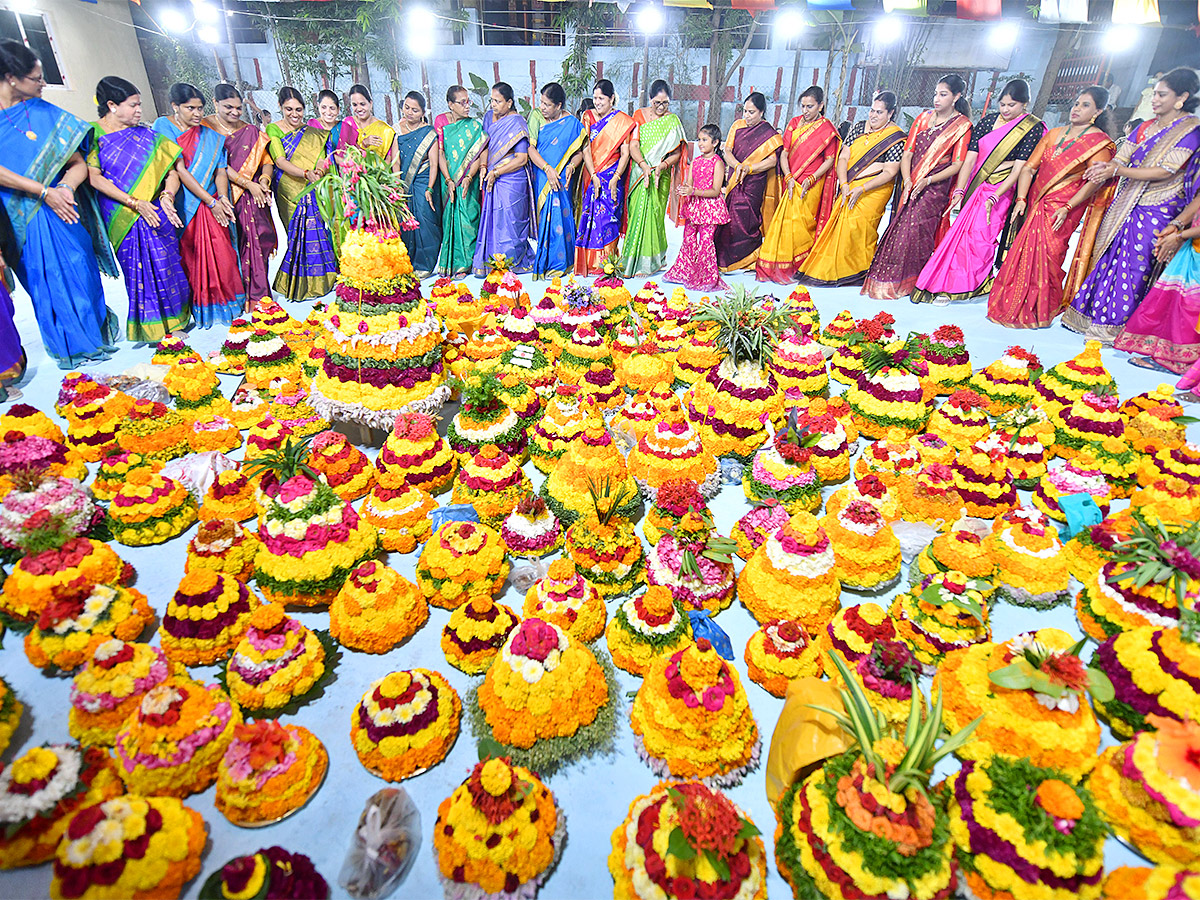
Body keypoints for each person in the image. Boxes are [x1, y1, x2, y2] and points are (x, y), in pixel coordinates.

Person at [0, 40, 119, 369]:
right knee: (44, 277)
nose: (42, 85)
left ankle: (93, 339)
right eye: (36, 79)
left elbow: (78, 162)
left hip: (63, 206)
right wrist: (42, 191)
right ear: (12, 78)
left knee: (81, 268)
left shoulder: (45, 113)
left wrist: (65, 186)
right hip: (19, 212)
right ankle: (68, 346)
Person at [1063, 67, 1200, 342]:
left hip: (1160, 205)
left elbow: (1166, 170)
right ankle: (1090, 315)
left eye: (1162, 94)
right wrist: (1106, 168)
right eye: (1154, 94)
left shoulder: (1191, 130)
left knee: (1137, 263)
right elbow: (1122, 158)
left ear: (1181, 97)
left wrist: (1116, 172)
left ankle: (1118, 324)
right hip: (1128, 200)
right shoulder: (1145, 126)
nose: (1155, 99)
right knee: (1111, 255)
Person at [987, 87, 1115, 329]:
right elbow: (1028, 168)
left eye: (1085, 105)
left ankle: (1041, 306)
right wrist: (1022, 198)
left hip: (1065, 208)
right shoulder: (1054, 133)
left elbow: (1094, 181)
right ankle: (1012, 301)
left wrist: (1068, 206)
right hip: (1036, 202)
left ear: (1098, 111)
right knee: (1023, 252)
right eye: (1076, 103)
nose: (1077, 108)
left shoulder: (1099, 143)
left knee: (1051, 256)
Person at [912, 79, 1045, 304]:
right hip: (977, 185)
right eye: (1002, 104)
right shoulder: (988, 121)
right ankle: (947, 282)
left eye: (1011, 105)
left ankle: (970, 283)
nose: (1005, 109)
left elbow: (1019, 168)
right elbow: (970, 158)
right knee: (960, 237)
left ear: (1025, 104)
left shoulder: (1031, 128)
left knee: (982, 238)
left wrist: (996, 194)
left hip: (1001, 191)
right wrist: (960, 190)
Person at [87, 76, 191, 342]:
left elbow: (172, 172)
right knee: (137, 269)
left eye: (139, 104)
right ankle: (151, 327)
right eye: (133, 105)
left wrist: (168, 196)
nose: (139, 110)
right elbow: (95, 178)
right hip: (121, 212)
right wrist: (134, 203)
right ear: (112, 105)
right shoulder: (92, 134)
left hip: (156, 209)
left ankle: (176, 322)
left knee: (167, 262)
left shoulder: (148, 135)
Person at [862, 74, 972, 300]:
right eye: (936, 94)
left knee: (918, 233)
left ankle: (914, 280)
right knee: (899, 230)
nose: (937, 99)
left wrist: (928, 180)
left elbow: (958, 164)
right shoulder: (922, 118)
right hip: (911, 182)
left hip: (935, 188)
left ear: (956, 97)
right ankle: (890, 279)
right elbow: (908, 153)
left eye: (943, 95)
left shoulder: (962, 126)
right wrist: (909, 180)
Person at [152, 83, 244, 327]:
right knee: (193, 256)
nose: (197, 113)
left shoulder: (210, 136)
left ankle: (230, 306)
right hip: (188, 203)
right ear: (175, 106)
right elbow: (179, 169)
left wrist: (222, 198)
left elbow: (220, 170)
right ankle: (204, 308)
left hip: (214, 199)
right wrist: (210, 201)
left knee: (223, 252)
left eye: (200, 108)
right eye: (190, 108)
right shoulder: (163, 127)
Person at [797, 93, 905, 287]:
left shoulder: (896, 137)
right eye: (872, 110)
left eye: (879, 112)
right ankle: (835, 268)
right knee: (839, 226)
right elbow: (843, 157)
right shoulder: (859, 127)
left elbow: (890, 172)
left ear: (890, 114)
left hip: (874, 189)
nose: (873, 115)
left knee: (858, 226)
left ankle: (857, 270)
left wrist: (862, 188)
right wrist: (845, 183)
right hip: (849, 184)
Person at [756, 85, 840, 284]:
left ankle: (799, 265)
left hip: (813, 182)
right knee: (785, 222)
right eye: (803, 106)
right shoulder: (794, 123)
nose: (805, 111)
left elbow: (829, 160)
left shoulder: (826, 129)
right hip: (792, 179)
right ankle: (781, 264)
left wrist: (811, 179)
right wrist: (788, 176)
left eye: (810, 106)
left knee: (803, 222)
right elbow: (784, 153)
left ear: (821, 105)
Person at [1115, 181, 1200, 372]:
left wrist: (1179, 236)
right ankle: (1169, 354)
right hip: (1193, 248)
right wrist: (1175, 225)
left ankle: (1182, 361)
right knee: (1175, 301)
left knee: (1191, 307)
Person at [205, 84, 277, 307]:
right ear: (215, 103)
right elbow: (219, 165)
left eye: (238, 108)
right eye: (228, 107)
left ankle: (259, 295)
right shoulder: (206, 129)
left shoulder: (250, 131)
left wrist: (263, 181)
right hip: (223, 193)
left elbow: (266, 162)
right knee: (229, 245)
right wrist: (248, 184)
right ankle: (237, 296)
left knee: (257, 240)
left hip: (254, 195)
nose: (235, 112)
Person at [265, 86, 339, 300]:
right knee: (296, 234)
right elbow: (279, 161)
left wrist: (320, 169)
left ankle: (323, 281)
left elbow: (327, 156)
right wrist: (306, 173)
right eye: (289, 109)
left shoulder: (313, 134)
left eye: (299, 109)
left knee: (316, 229)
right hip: (288, 187)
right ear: (280, 107)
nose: (295, 115)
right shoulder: (274, 129)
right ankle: (299, 284)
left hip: (311, 185)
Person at [621, 79, 688, 277]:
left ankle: (651, 262)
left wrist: (662, 166)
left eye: (665, 103)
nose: (660, 107)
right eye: (657, 102)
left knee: (655, 215)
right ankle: (631, 259)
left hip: (661, 174)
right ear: (650, 99)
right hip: (639, 173)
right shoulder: (639, 115)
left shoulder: (672, 121)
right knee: (636, 214)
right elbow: (633, 145)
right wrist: (643, 166)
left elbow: (676, 153)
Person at [471, 81, 534, 275]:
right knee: (493, 220)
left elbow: (522, 158)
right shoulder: (489, 118)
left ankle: (511, 261)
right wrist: (483, 167)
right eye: (491, 100)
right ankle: (492, 261)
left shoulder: (517, 122)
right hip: (491, 176)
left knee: (510, 221)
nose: (493, 105)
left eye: (498, 101)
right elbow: (484, 146)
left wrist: (497, 172)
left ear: (509, 102)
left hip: (512, 180)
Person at [715, 92, 782, 272]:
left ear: (761, 112)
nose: (746, 115)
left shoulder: (770, 134)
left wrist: (750, 169)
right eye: (745, 111)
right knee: (729, 216)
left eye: (751, 112)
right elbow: (727, 150)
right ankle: (725, 258)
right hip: (735, 178)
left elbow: (772, 161)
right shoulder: (737, 126)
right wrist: (738, 166)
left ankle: (749, 258)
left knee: (747, 218)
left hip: (754, 183)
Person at [575, 79, 635, 275]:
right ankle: (591, 263)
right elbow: (585, 149)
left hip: (612, 176)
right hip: (592, 173)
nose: (598, 102)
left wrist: (616, 177)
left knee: (609, 218)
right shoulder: (588, 117)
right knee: (590, 217)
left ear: (611, 99)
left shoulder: (623, 122)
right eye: (595, 98)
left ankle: (608, 263)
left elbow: (625, 153)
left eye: (601, 98)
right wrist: (593, 175)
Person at [527, 82, 585, 280]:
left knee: (562, 217)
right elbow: (530, 149)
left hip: (562, 178)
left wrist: (572, 166)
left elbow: (579, 154)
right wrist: (547, 168)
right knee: (546, 217)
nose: (542, 108)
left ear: (559, 106)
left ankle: (563, 262)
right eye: (541, 102)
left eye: (547, 105)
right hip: (544, 175)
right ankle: (545, 261)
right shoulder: (535, 117)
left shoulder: (571, 123)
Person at [664, 124, 729, 291]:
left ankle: (706, 276)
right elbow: (690, 184)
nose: (700, 143)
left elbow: (715, 191)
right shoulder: (696, 161)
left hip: (710, 208)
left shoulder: (718, 163)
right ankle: (685, 272)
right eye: (699, 139)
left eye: (704, 140)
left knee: (706, 242)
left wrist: (693, 190)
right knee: (688, 239)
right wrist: (684, 190)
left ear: (715, 143)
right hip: (694, 207)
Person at [437, 85, 484, 277]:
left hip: (468, 179)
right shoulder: (441, 122)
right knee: (451, 218)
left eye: (468, 102)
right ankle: (451, 263)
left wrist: (469, 176)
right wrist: (448, 179)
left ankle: (468, 263)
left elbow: (479, 155)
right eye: (462, 102)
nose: (467, 106)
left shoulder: (475, 126)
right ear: (450, 104)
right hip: (447, 177)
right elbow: (440, 152)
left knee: (469, 217)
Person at [395, 91, 441, 278]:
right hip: (403, 182)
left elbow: (434, 163)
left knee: (425, 220)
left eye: (414, 110)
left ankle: (426, 264)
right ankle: (408, 263)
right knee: (405, 221)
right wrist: (396, 183)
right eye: (406, 107)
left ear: (422, 112)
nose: (409, 112)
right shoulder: (397, 129)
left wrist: (430, 187)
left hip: (423, 181)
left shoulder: (429, 132)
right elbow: (396, 160)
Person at [347, 84, 398, 169]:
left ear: (370, 103)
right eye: (355, 105)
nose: (359, 109)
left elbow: (388, 160)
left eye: (362, 104)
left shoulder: (385, 130)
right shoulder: (348, 124)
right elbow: (343, 154)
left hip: (378, 176)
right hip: (353, 176)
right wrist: (363, 144)